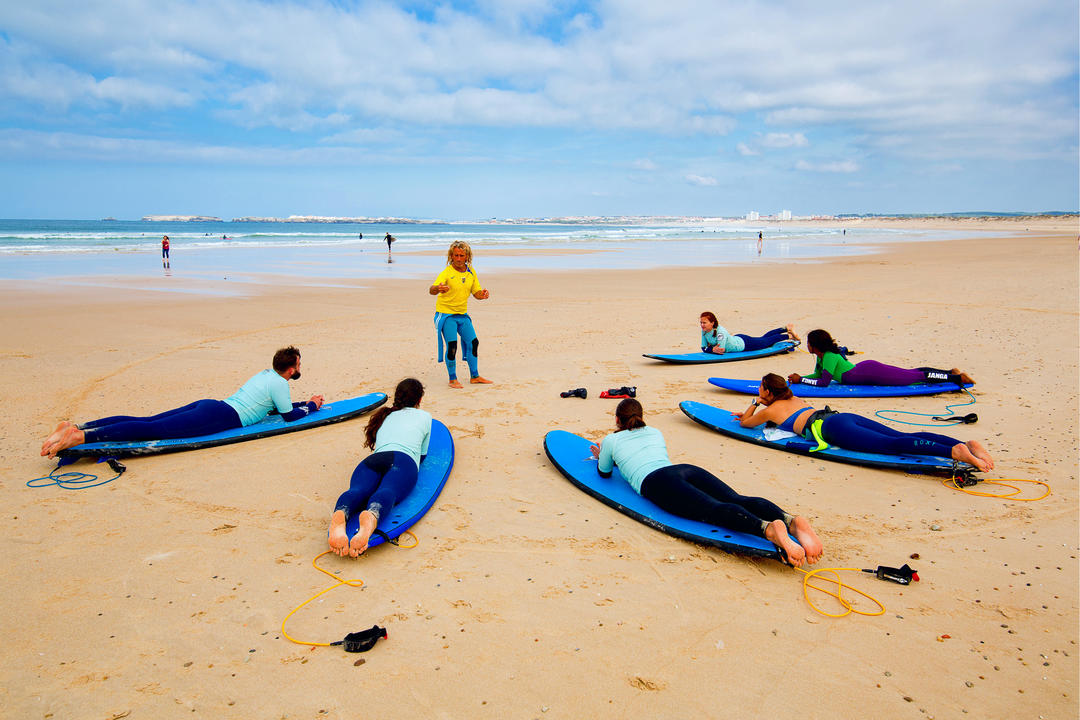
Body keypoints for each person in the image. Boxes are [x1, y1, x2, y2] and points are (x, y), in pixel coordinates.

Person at [590, 398, 823, 567]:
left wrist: (603, 454)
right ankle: (790, 521)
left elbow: (605, 473)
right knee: (736, 498)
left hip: (657, 482)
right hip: (683, 470)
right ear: (641, 416)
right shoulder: (654, 431)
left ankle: (768, 529)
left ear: (618, 419)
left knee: (713, 509)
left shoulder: (612, 439)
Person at [40, 346, 324, 458]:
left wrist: (301, 402)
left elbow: (277, 407)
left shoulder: (266, 376)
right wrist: (311, 406)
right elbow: (287, 416)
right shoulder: (279, 383)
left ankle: (74, 426)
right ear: (292, 369)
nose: (300, 368)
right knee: (154, 431)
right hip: (220, 418)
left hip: (211, 405)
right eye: (299, 365)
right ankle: (80, 436)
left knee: (148, 421)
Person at [737, 374, 995, 472]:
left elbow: (747, 424)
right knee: (901, 434)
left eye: (761, 388)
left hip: (832, 429)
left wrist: (756, 403)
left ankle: (953, 452)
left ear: (768, 392)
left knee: (891, 445)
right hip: (840, 417)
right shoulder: (794, 398)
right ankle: (965, 444)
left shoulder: (771, 410)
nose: (759, 390)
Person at [328, 378, 431, 557]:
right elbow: (422, 456)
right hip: (402, 461)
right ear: (419, 400)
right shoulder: (424, 416)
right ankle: (371, 516)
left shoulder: (385, 415)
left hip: (373, 460)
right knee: (388, 490)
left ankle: (340, 514)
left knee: (357, 490)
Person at [789, 329, 974, 388]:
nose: (807, 345)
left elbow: (824, 383)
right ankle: (950, 372)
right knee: (911, 373)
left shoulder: (829, 356)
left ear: (815, 345)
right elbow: (816, 376)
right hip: (864, 370)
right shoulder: (822, 358)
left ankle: (958, 378)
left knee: (914, 377)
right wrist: (799, 378)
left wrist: (801, 380)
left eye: (808, 343)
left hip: (868, 372)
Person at [429, 240, 492, 388]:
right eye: (455, 255)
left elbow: (476, 293)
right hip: (446, 315)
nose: (458, 259)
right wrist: (438, 288)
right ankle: (452, 379)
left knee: (473, 343)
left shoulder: (471, 272)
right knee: (452, 346)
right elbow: (431, 290)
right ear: (451, 256)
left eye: (461, 255)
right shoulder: (447, 272)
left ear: (467, 256)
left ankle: (475, 376)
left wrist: (482, 295)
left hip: (462, 315)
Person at [700, 311, 799, 355]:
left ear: (712, 323)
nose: (702, 325)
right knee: (763, 339)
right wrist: (712, 349)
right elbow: (703, 347)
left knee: (766, 341)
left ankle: (789, 335)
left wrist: (710, 349)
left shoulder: (720, 332)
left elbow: (721, 350)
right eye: (701, 322)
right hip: (738, 339)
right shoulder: (704, 331)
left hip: (744, 344)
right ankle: (786, 328)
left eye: (704, 323)